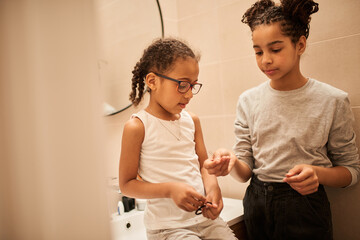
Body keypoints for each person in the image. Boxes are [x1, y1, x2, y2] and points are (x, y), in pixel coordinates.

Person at [204, 0, 360, 239]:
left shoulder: (332, 101)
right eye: (258, 51)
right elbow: (245, 172)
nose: (265, 60)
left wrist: (318, 174)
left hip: (306, 208)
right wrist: (231, 162)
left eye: (275, 49)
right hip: (256, 205)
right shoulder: (248, 100)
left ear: (300, 45)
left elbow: (352, 171)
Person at [119, 37, 237, 240]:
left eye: (193, 85)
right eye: (182, 85)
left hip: (206, 221)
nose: (190, 94)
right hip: (167, 228)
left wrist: (213, 188)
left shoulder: (192, 120)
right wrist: (170, 189)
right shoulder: (137, 126)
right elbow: (127, 184)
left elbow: (204, 165)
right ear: (152, 81)